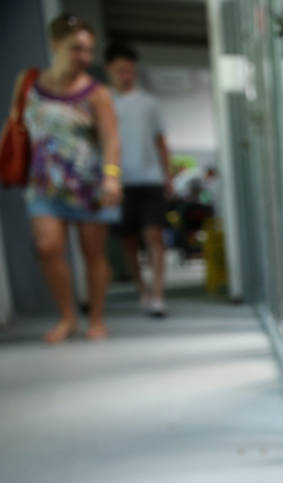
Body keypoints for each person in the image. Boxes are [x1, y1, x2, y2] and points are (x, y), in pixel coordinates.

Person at [12, 12, 121, 342]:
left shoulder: (96, 92)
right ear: (55, 44)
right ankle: (67, 316)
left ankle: (97, 318)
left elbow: (110, 138)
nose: (84, 57)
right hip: (44, 183)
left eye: (88, 50)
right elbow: (16, 123)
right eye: (76, 49)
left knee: (94, 253)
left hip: (88, 185)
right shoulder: (29, 82)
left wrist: (112, 176)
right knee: (48, 247)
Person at [105, 42, 172, 317]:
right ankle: (141, 288)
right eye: (120, 70)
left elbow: (161, 141)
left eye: (130, 70)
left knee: (153, 234)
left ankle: (158, 293)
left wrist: (167, 176)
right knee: (129, 241)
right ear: (110, 69)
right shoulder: (103, 101)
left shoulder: (149, 103)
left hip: (150, 178)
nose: (126, 75)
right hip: (119, 181)